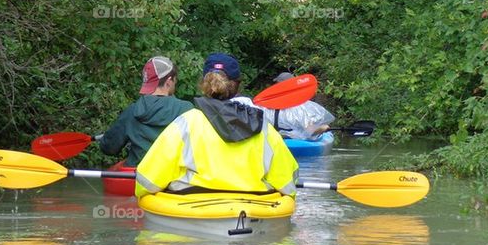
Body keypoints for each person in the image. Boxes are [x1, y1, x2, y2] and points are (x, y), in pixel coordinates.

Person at [134, 53, 298, 195]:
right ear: (238, 84)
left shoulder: (186, 122)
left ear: (204, 84)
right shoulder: (262, 125)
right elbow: (288, 183)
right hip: (251, 209)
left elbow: (147, 181)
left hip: (195, 210)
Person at [98, 56, 193, 166]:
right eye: (175, 80)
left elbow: (109, 148)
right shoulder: (187, 110)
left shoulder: (132, 111)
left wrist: (107, 138)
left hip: (139, 178)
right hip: (173, 177)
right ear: (169, 81)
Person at [267, 72, 334, 140]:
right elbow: (310, 131)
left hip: (273, 140)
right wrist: (323, 128)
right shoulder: (302, 107)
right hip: (295, 141)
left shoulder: (266, 106)